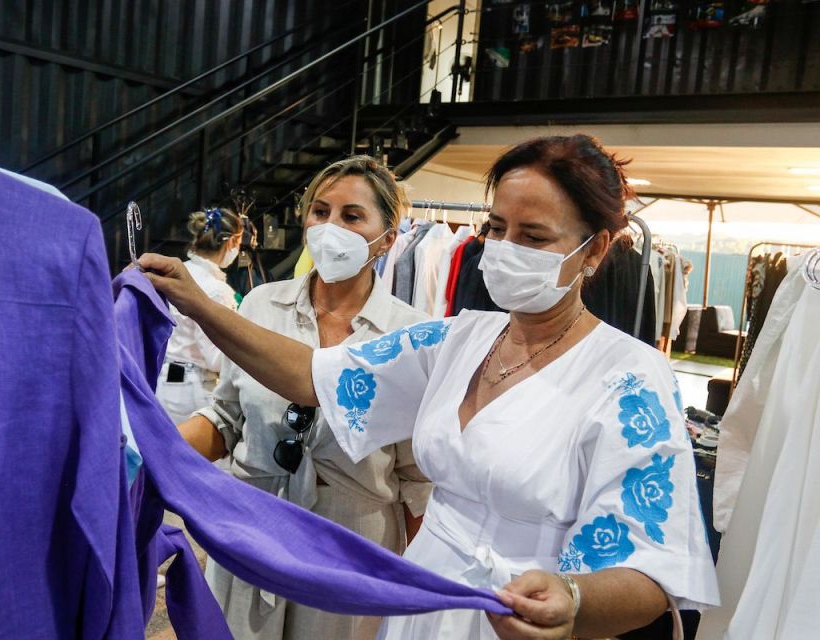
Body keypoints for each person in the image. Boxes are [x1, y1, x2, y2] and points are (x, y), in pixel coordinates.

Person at [141, 135, 720, 639]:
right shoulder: (459, 340)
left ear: (592, 250)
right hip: (424, 593)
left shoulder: (629, 377)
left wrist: (573, 599)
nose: (504, 249)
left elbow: (653, 569)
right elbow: (312, 376)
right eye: (496, 228)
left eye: (535, 238)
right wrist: (196, 300)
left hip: (517, 610)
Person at [176, 156, 433, 640]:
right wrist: (154, 449)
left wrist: (412, 589)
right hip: (253, 528)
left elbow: (418, 479)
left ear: (388, 239)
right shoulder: (258, 305)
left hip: (351, 545)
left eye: (352, 216)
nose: (329, 227)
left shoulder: (410, 336)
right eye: (320, 211)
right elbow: (226, 417)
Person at [154, 207, 242, 423]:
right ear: (230, 242)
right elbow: (215, 358)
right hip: (192, 391)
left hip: (162, 383)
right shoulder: (215, 289)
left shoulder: (178, 272)